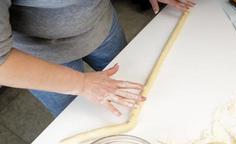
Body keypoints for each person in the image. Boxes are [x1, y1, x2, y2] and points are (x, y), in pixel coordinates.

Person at [0, 0, 195, 117]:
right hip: (41, 60)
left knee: (134, 92)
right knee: (83, 120)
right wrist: (81, 84)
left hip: (102, 27)